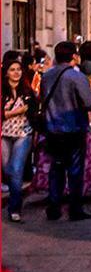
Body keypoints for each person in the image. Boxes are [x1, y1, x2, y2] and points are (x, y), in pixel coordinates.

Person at [41, 41, 91, 221]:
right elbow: (88, 102)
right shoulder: (76, 76)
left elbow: (42, 98)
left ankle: (54, 206)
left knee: (56, 167)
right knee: (74, 170)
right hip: (73, 127)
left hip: (52, 128)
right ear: (74, 56)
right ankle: (75, 208)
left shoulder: (47, 76)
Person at [2, 58, 37, 222]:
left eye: (18, 69)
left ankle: (14, 208)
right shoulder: (3, 91)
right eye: (12, 69)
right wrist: (15, 112)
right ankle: (14, 192)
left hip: (23, 134)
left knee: (16, 170)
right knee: (7, 169)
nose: (16, 72)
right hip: (4, 134)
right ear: (6, 73)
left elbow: (34, 111)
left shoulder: (27, 91)